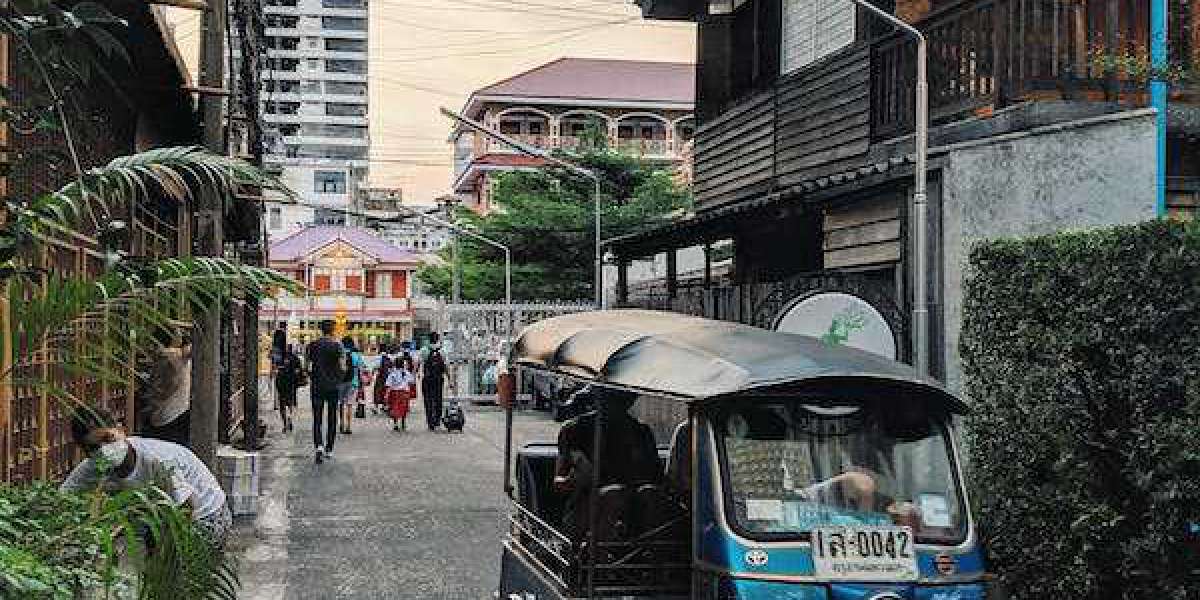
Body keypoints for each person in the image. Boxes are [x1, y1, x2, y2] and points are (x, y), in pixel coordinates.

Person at [61, 408, 232, 549]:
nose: (104, 450)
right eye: (94, 447)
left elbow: (186, 509)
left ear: (121, 430)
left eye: (108, 439)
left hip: (206, 513)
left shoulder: (157, 460)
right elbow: (63, 497)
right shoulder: (92, 466)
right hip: (160, 516)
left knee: (186, 573)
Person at [554, 386, 660, 539]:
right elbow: (558, 482)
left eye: (622, 398)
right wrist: (574, 479)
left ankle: (655, 554)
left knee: (650, 494)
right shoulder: (574, 430)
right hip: (585, 508)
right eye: (610, 396)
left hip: (632, 510)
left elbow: (657, 479)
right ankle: (597, 554)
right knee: (613, 495)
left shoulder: (641, 432)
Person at [306, 320, 345, 463]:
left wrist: (314, 376)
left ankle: (318, 446)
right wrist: (338, 378)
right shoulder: (338, 346)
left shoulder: (312, 346)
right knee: (332, 417)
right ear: (333, 330)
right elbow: (343, 367)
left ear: (321, 330)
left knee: (317, 418)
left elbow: (307, 367)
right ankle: (329, 449)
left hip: (317, 385)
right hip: (333, 387)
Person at [420, 332, 448, 431]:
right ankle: (437, 422)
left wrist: (414, 376)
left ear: (429, 339)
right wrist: (450, 379)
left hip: (427, 379)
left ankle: (430, 422)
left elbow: (417, 364)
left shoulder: (424, 350)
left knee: (428, 400)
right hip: (439, 379)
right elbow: (446, 367)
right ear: (437, 339)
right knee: (438, 400)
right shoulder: (442, 351)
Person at [274, 344, 304, 432]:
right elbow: (299, 371)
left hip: (281, 384)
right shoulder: (295, 358)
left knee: (282, 405)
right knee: (291, 403)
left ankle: (285, 423)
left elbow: (275, 370)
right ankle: (290, 418)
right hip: (291, 384)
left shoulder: (279, 357)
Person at [338, 337, 365, 435]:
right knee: (349, 405)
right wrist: (361, 382)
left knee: (340, 404)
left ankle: (341, 423)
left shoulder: (340, 355)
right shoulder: (356, 355)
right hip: (353, 382)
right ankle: (348, 426)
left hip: (340, 382)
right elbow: (361, 369)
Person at [386, 354, 416, 431]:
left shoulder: (392, 373)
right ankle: (403, 422)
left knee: (395, 408)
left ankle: (395, 424)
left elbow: (389, 385)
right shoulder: (407, 373)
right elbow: (412, 382)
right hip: (405, 393)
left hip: (395, 393)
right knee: (404, 408)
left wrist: (386, 395)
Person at [373, 343, 394, 415]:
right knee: (386, 391)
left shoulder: (378, 357)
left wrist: (372, 373)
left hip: (380, 377)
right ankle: (385, 406)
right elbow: (392, 367)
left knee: (377, 391)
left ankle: (376, 407)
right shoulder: (390, 357)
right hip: (388, 377)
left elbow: (375, 367)